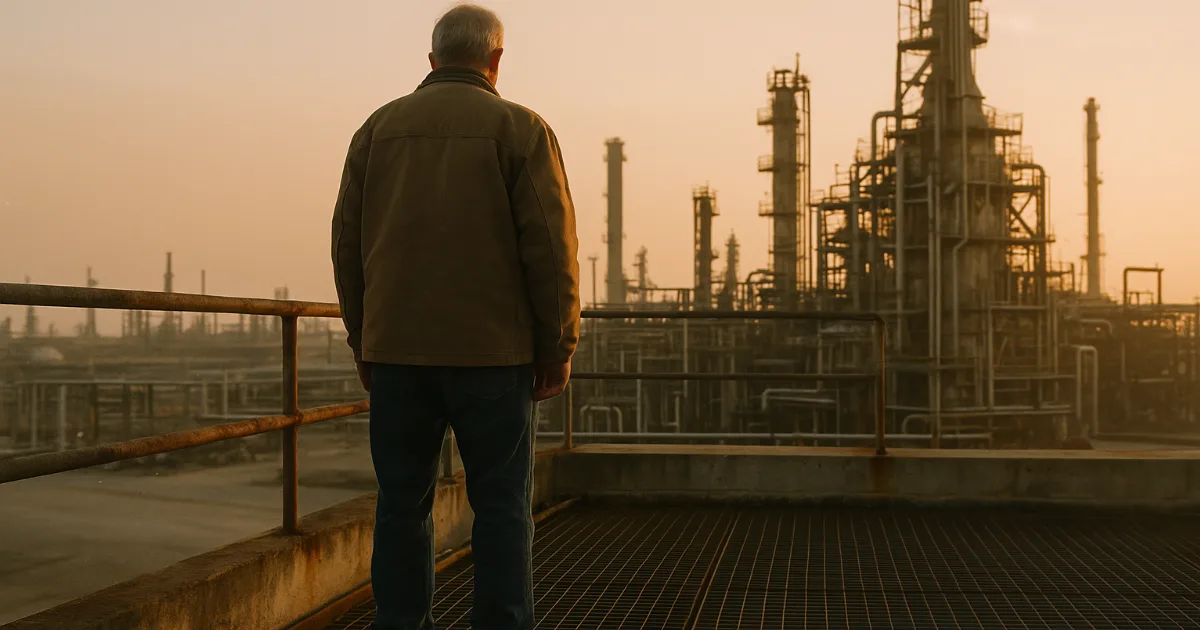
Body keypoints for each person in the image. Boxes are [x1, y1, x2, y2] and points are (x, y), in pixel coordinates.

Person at [330, 4, 581, 629]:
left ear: (432, 59)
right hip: (494, 357)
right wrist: (558, 343)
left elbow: (346, 243)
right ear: (496, 61)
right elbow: (549, 247)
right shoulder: (520, 129)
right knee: (500, 508)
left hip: (398, 356)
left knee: (401, 506)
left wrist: (364, 339)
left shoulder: (377, 130)